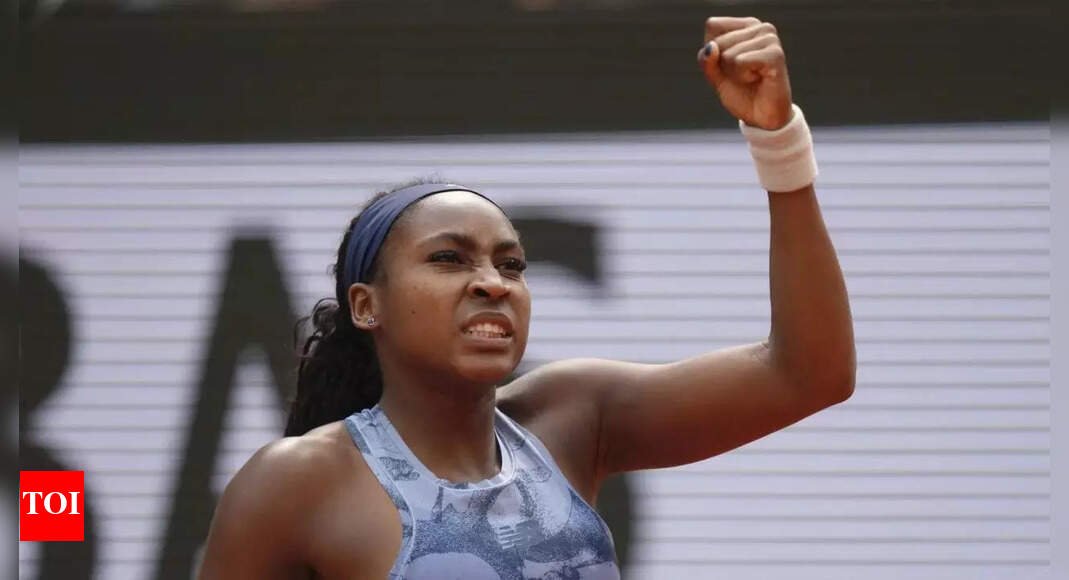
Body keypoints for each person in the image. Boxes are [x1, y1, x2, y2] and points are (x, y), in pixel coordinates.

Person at [197, 15, 855, 580]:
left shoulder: (572, 415)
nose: (493, 282)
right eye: (448, 258)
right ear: (367, 306)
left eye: (511, 265)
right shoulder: (295, 482)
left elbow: (808, 374)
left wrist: (778, 141)